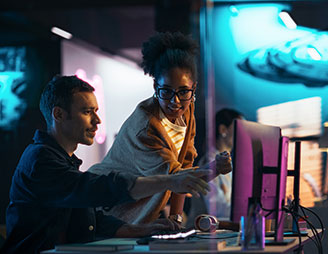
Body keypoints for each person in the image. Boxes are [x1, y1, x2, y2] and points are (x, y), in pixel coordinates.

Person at [0, 75, 210, 254]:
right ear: (59, 114)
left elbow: (93, 219)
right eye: (87, 112)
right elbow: (95, 188)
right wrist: (169, 181)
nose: (97, 121)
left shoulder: (61, 161)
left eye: (96, 111)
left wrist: (145, 229)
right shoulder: (39, 160)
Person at [89, 32, 231, 225]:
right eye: (167, 91)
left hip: (139, 212)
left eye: (183, 91)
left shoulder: (186, 111)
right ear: (156, 87)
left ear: (193, 88)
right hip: (109, 209)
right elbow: (175, 178)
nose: (176, 101)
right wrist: (215, 168)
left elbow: (185, 166)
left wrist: (176, 218)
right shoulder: (145, 126)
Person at [188, 108, 243, 224]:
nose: (243, 134)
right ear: (223, 130)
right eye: (239, 129)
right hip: (202, 235)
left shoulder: (228, 163)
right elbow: (218, 210)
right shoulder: (209, 163)